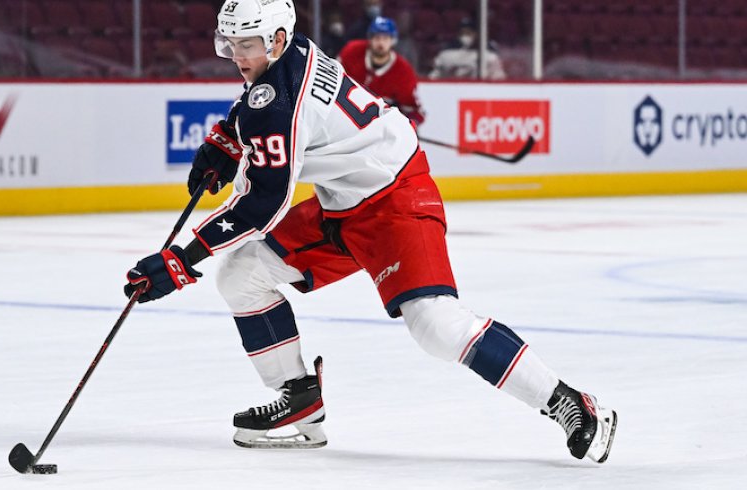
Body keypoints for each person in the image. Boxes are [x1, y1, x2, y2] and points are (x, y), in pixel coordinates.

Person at [124, 0, 617, 462]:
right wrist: (227, 138)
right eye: (229, 44)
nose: (235, 55)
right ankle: (300, 401)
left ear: (275, 40)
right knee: (240, 276)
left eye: (245, 44)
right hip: (342, 203)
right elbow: (255, 102)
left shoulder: (277, 106)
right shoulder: (290, 51)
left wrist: (181, 261)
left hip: (395, 199)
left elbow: (262, 204)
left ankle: (569, 401)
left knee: (436, 326)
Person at [338, 16, 425, 126]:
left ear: (393, 41)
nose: (380, 43)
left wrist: (409, 125)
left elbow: (414, 112)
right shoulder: (351, 52)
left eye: (385, 38)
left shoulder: (403, 71)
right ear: (370, 38)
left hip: (380, 130)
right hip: (344, 119)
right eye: (377, 38)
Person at [428, 17, 507, 80]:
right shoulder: (446, 52)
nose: (465, 36)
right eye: (462, 33)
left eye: (469, 32)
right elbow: (435, 75)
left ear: (477, 34)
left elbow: (498, 77)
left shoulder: (489, 52)